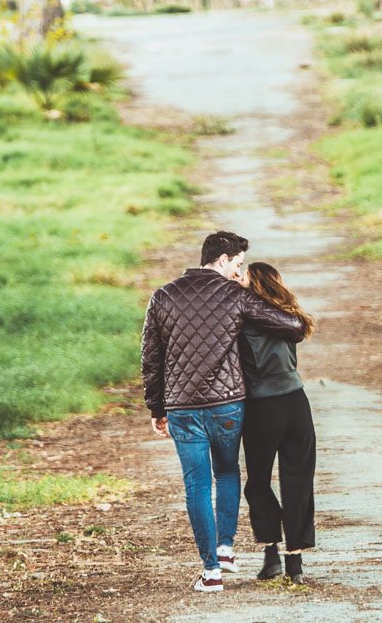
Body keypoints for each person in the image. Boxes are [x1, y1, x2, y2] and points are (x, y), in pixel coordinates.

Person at [140, 231, 305, 592]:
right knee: (228, 471)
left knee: (196, 484)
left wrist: (157, 407)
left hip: (182, 407)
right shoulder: (235, 296)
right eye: (238, 264)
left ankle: (211, 570)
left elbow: (151, 360)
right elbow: (292, 326)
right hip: (228, 404)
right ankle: (226, 547)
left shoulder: (163, 296)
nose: (238, 272)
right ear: (224, 259)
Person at [235, 261, 317, 585]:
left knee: (257, 482)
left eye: (243, 276)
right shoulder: (289, 318)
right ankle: (294, 562)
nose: (237, 279)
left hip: (263, 407)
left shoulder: (242, 319)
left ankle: (271, 555)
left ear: (255, 285)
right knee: (298, 482)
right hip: (297, 403)